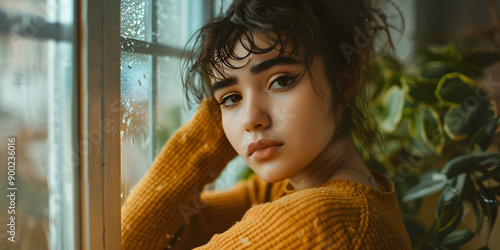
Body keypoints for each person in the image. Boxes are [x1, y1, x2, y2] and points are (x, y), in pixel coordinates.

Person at [121, 0, 412, 249]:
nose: (250, 119)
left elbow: (124, 242)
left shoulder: (320, 221)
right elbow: (147, 234)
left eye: (281, 81)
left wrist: (225, 100)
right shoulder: (301, 190)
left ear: (345, 85)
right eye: (230, 99)